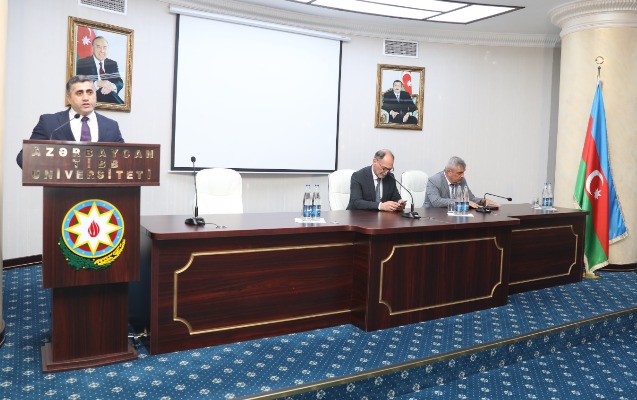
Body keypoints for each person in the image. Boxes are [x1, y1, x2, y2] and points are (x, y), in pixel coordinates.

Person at [16, 75, 124, 168]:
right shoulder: (49, 123)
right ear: (69, 98)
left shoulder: (111, 126)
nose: (86, 98)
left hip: (99, 186)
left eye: (90, 92)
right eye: (79, 93)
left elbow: (124, 159)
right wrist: (53, 169)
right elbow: (23, 158)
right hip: (60, 185)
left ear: (95, 95)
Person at [424, 156, 499, 209]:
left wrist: (482, 201)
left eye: (463, 172)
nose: (463, 176)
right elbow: (436, 202)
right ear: (449, 172)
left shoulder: (461, 180)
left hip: (453, 215)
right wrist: (462, 202)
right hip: (432, 216)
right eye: (459, 173)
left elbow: (470, 198)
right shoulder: (434, 180)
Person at [75, 36, 124, 104]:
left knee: (109, 93)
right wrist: (98, 83)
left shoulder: (112, 64)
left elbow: (119, 82)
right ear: (93, 48)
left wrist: (112, 86)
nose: (102, 50)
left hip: (109, 98)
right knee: (108, 94)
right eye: (98, 47)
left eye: (104, 47)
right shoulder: (83, 63)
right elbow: (78, 83)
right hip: (90, 98)